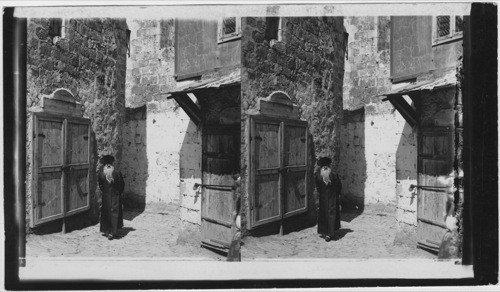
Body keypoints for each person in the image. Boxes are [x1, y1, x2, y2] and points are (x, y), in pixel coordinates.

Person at [98, 154, 125, 240]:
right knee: (114, 213)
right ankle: (113, 232)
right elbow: (122, 185)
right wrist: (118, 193)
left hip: (106, 196)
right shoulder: (117, 173)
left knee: (107, 213)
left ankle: (108, 231)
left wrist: (106, 192)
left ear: (104, 164)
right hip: (115, 196)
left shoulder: (101, 173)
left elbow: (101, 186)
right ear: (112, 163)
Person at [315, 157, 342, 242]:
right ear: (329, 165)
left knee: (325, 214)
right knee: (330, 214)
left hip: (325, 198)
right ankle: (330, 233)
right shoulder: (333, 174)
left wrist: (322, 193)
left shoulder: (318, 174)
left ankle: (326, 233)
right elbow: (339, 186)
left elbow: (318, 187)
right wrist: (336, 193)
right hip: (331, 197)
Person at [227, 172, 242, 261]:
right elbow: (238, 201)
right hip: (240, 211)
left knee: (238, 226)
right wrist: (236, 210)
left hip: (242, 213)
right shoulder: (238, 188)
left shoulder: (241, 187)